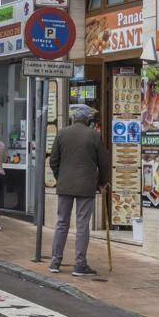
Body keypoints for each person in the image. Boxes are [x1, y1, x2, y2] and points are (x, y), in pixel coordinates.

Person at [48, 105, 111, 277]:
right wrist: (102, 182)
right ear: (88, 120)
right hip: (86, 185)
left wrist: (60, 177)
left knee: (62, 223)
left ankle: (55, 261)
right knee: (82, 225)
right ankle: (79, 264)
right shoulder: (94, 135)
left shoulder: (62, 133)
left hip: (65, 185)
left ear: (73, 119)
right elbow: (104, 163)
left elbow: (53, 160)